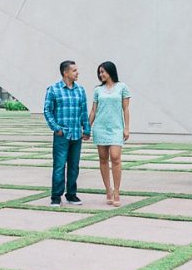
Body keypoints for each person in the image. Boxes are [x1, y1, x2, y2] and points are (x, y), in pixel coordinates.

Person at [44, 60, 91, 207]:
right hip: (62, 135)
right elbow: (47, 111)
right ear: (65, 72)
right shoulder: (53, 89)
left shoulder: (80, 90)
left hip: (77, 134)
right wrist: (56, 128)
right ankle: (56, 196)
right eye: (74, 70)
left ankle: (71, 194)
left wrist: (87, 129)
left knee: (74, 166)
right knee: (59, 165)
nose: (77, 73)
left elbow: (84, 112)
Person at [88, 61, 131, 207]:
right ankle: (108, 190)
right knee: (103, 159)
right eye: (99, 72)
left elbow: (125, 109)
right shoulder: (97, 90)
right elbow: (94, 110)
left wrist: (127, 128)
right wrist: (88, 127)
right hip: (100, 127)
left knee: (116, 157)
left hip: (116, 128)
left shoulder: (122, 87)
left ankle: (117, 191)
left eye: (103, 72)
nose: (101, 75)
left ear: (111, 71)